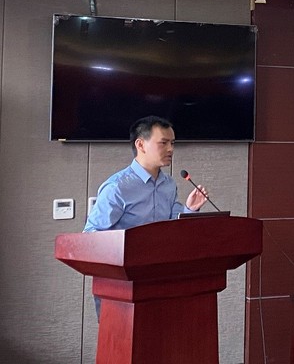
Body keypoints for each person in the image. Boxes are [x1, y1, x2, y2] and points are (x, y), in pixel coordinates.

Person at [83, 115, 208, 318]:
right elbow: (90, 235)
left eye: (173, 143)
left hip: (161, 279)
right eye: (163, 143)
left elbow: (174, 227)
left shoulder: (169, 185)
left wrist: (190, 210)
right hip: (122, 285)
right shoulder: (117, 187)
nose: (171, 149)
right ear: (140, 144)